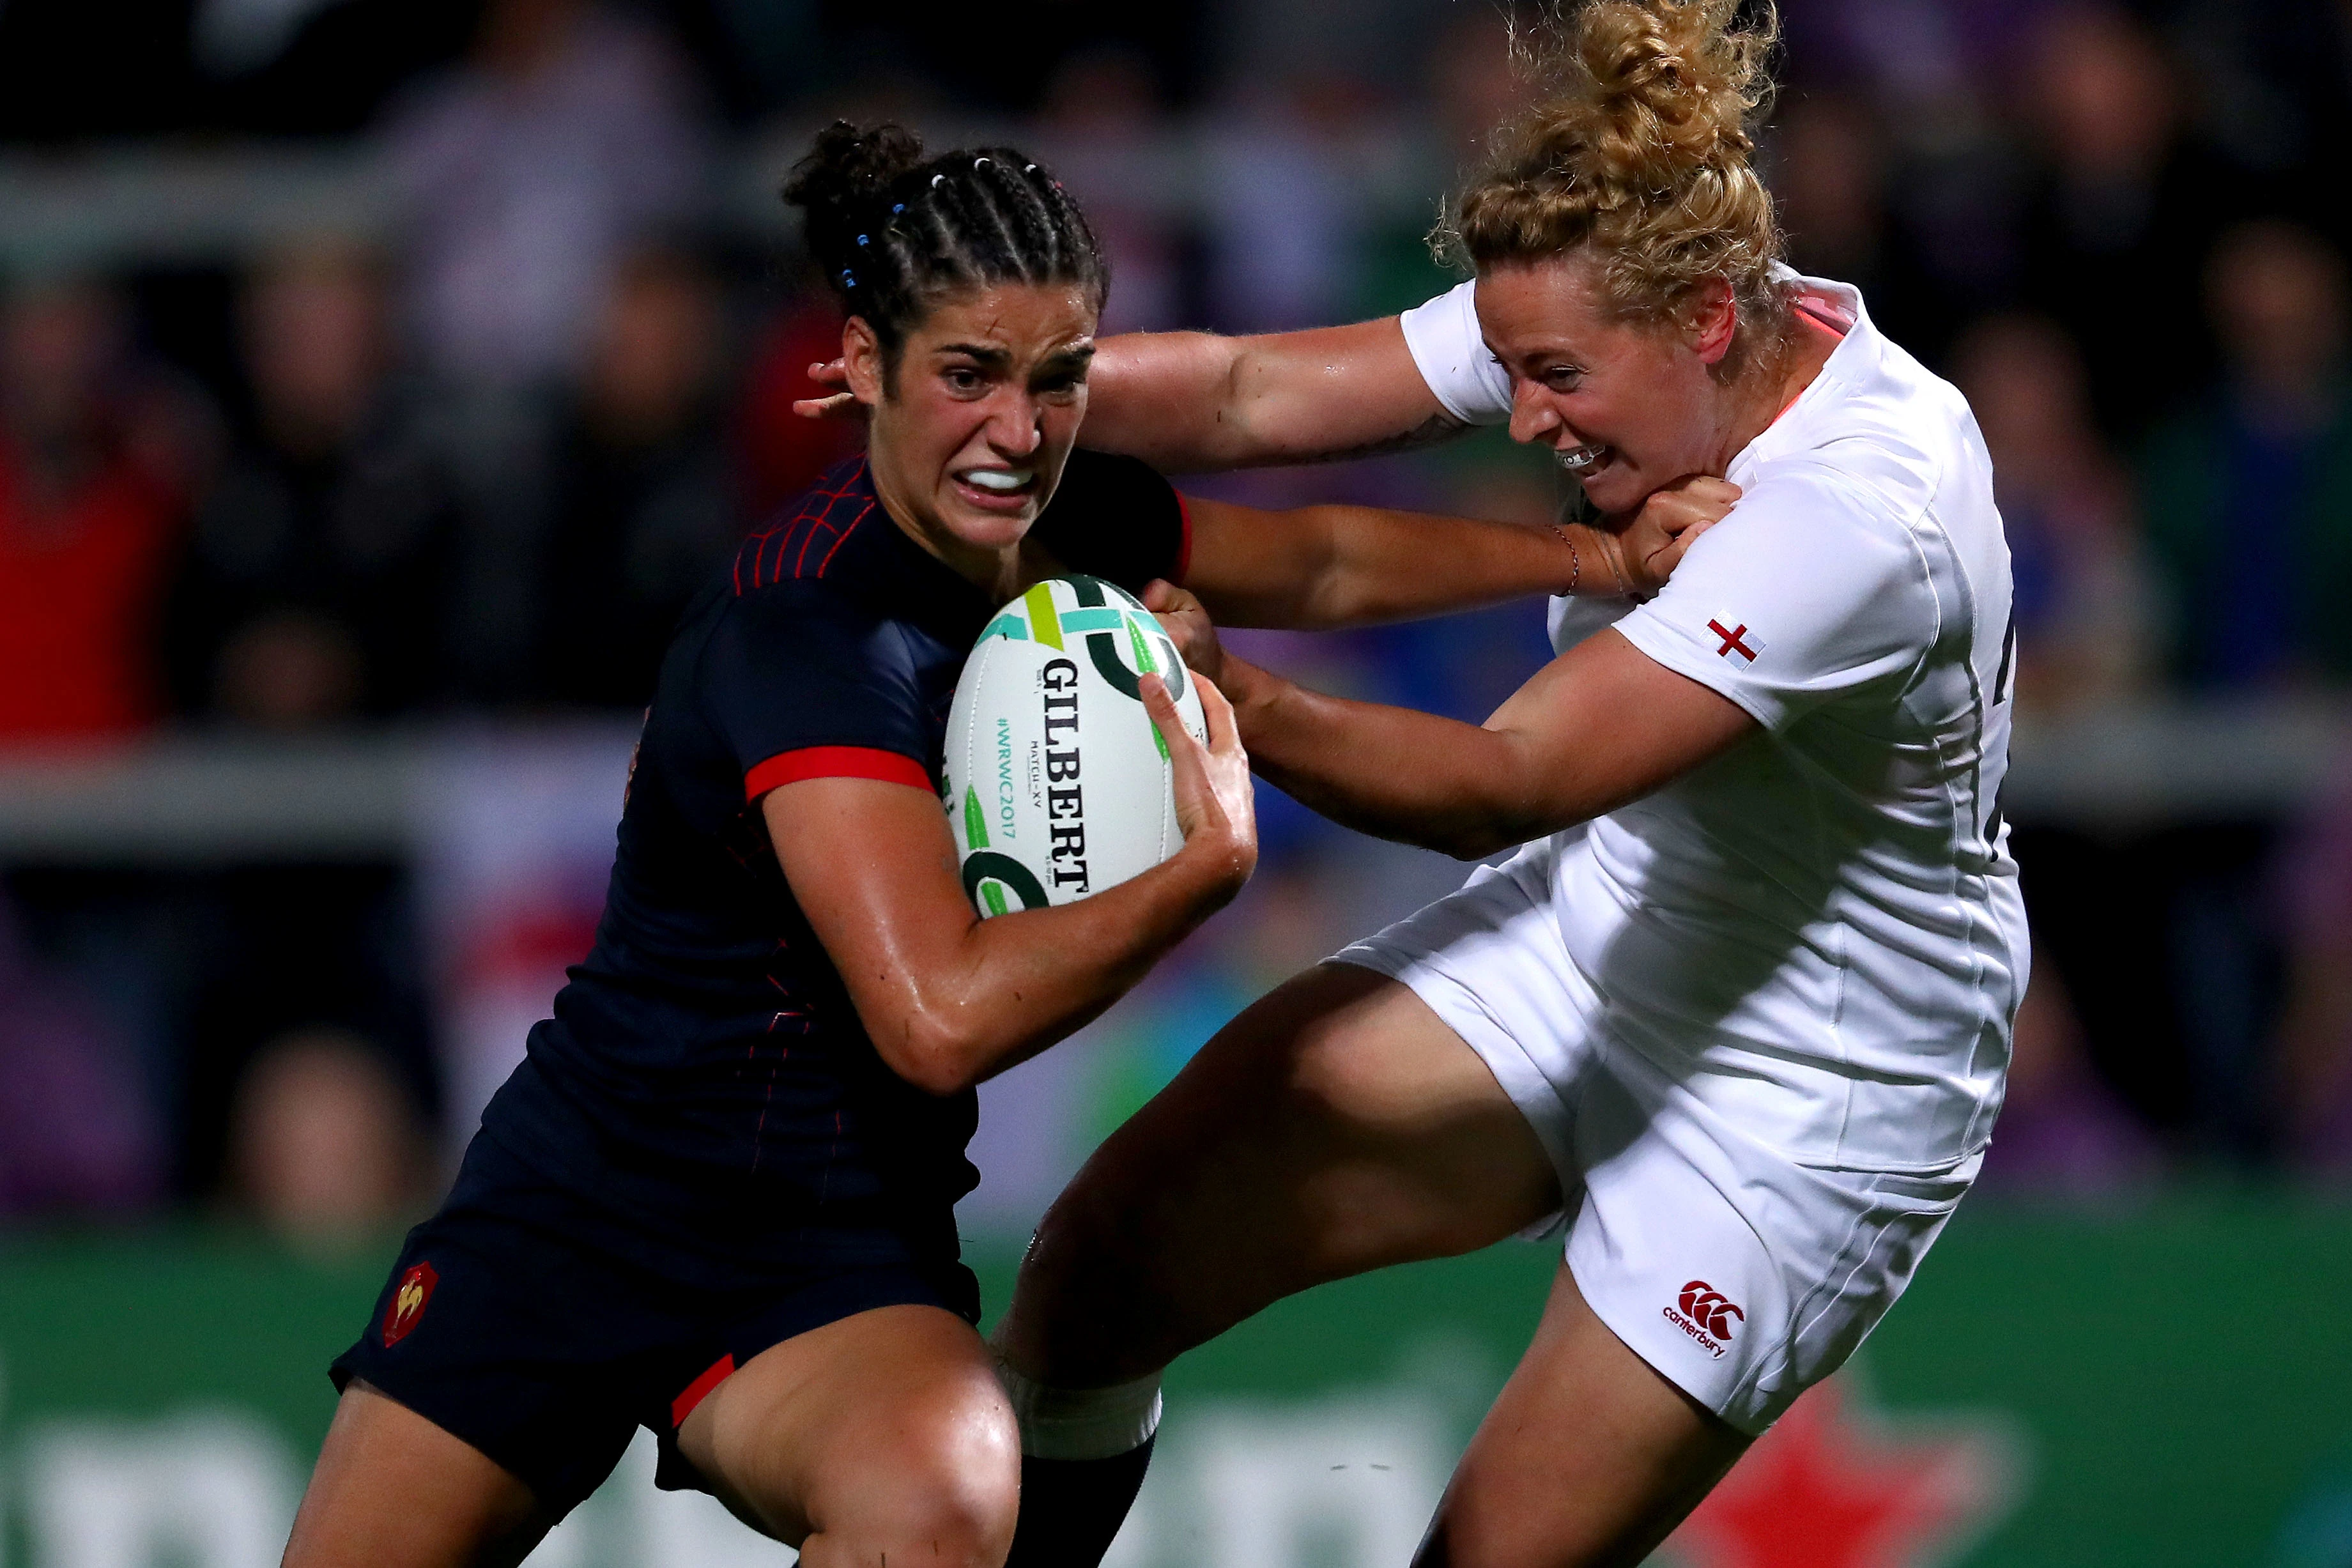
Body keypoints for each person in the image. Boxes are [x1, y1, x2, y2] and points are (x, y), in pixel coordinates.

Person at [284, 123, 1704, 1568]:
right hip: (583, 1212)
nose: (1017, 433)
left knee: (950, 1494)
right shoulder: (809, 632)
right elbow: (937, 1021)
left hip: (832, 1248)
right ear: (859, 366)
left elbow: (1324, 560)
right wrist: (1198, 872)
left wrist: (1600, 558)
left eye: (1058, 379)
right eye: (968, 375)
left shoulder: (1063, 523)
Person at [976, 3, 2025, 1562]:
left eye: (1551, 378)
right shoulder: (1629, 297)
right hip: (1608, 934)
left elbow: (1503, 780)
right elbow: (1250, 396)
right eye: (1511, 366)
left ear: (1709, 332)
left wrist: (1212, 688)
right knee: (1098, 1266)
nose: (1522, 416)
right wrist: (1002, 388)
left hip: (1808, 1094)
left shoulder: (1861, 520)